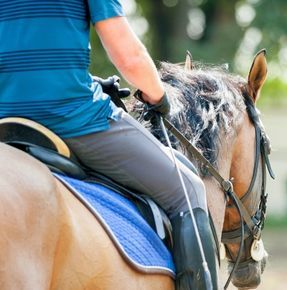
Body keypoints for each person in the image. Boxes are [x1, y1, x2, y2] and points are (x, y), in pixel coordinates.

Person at [0, 1, 218, 289]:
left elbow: (24, 52)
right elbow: (128, 57)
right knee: (189, 189)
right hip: (75, 120)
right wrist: (158, 96)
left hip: (6, 121)